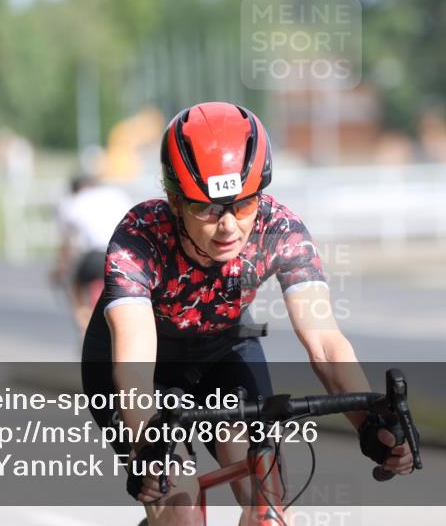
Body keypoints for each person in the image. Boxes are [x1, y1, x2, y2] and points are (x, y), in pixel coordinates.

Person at [81, 102, 415, 526]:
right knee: (180, 506)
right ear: (174, 200)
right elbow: (134, 362)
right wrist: (146, 444)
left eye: (242, 205)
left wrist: (372, 422)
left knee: (268, 500)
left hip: (224, 352)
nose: (228, 227)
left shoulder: (279, 230)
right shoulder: (139, 237)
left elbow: (325, 342)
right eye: (206, 208)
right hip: (140, 366)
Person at [52, 173, 133, 333]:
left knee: (75, 285)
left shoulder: (73, 203)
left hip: (94, 256)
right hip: (124, 255)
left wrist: (60, 269)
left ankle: (84, 321)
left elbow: (67, 245)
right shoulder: (116, 195)